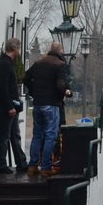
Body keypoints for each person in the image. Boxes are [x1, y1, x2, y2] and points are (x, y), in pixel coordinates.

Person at [22, 41, 72, 176]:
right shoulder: (60, 65)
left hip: (37, 104)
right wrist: (67, 92)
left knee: (37, 135)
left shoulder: (38, 63)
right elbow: (61, 85)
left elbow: (25, 77)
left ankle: (32, 166)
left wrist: (33, 91)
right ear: (60, 51)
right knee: (51, 135)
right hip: (52, 105)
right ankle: (46, 167)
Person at [0, 37, 26, 173]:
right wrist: (10, 107)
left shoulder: (6, 63)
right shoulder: (5, 64)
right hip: (8, 107)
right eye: (18, 48)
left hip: (9, 106)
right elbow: (3, 88)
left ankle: (21, 162)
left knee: (13, 134)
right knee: (6, 135)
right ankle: (1, 164)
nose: (19, 51)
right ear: (14, 48)